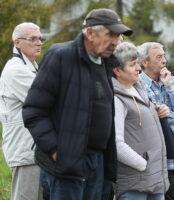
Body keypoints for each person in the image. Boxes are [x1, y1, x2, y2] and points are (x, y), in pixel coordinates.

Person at [22, 8, 133, 200]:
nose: (116, 41)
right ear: (90, 33)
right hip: (66, 163)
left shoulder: (105, 63)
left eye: (118, 36)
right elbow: (34, 111)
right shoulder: (61, 56)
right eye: (111, 35)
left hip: (97, 162)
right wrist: (57, 151)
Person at [112, 41, 169, 199]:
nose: (138, 68)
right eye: (132, 65)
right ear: (117, 70)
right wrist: (143, 165)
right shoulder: (116, 99)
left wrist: (157, 111)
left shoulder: (139, 89)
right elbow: (116, 144)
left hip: (154, 178)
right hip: (135, 181)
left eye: (137, 63)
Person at [138, 42, 174, 200]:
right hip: (153, 154)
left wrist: (169, 85)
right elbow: (150, 117)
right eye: (159, 57)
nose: (164, 60)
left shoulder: (170, 79)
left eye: (164, 56)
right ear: (144, 62)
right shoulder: (138, 84)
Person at [0, 22, 43, 200]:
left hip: (35, 150)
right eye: (33, 39)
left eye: (40, 38)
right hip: (26, 151)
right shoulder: (16, 70)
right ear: (17, 42)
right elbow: (45, 100)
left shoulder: (31, 67)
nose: (39, 42)